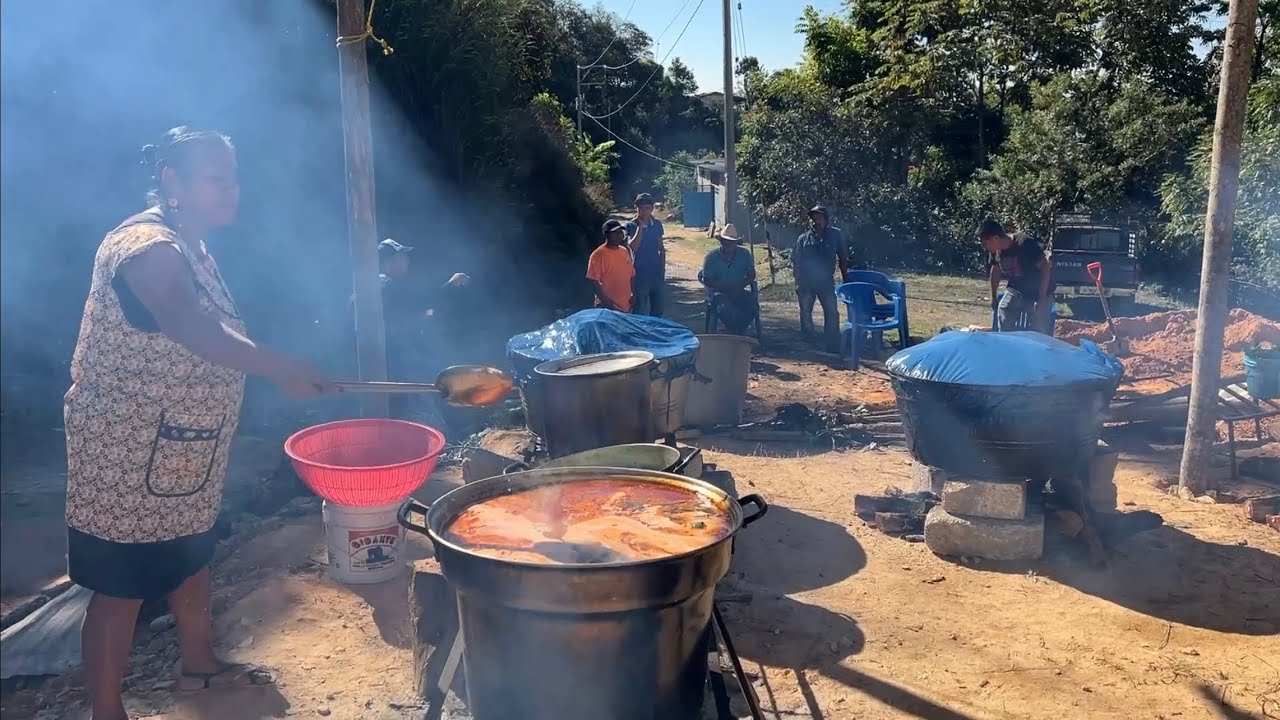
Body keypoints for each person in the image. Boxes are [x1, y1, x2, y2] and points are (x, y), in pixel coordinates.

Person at [63, 127, 334, 720]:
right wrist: (276, 365)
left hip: (184, 444)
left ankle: (198, 666)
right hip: (126, 446)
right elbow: (190, 326)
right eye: (217, 178)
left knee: (191, 554)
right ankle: (106, 713)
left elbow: (210, 335)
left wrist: (274, 366)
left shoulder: (196, 247)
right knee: (120, 584)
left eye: (234, 177)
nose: (232, 190)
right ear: (172, 180)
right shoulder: (146, 246)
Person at [374, 238, 469, 426]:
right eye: (402, 258)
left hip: (398, 360)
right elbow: (426, 299)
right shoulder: (387, 285)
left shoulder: (378, 285)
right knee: (428, 400)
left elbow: (402, 314)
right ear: (389, 262)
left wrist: (421, 316)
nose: (407, 262)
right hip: (397, 365)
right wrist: (452, 284)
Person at [977, 218, 1053, 333]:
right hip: (1017, 289)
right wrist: (993, 296)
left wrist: (1041, 296)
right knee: (1004, 308)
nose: (984, 247)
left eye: (985, 243)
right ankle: (1005, 340)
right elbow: (995, 270)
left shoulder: (1024, 244)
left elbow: (1045, 267)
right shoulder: (996, 251)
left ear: (995, 238)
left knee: (1039, 327)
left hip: (1040, 289)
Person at [793, 205, 849, 352]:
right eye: (813, 217)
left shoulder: (836, 235)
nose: (815, 220)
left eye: (818, 217)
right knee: (805, 312)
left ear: (825, 219)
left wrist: (846, 279)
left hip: (826, 281)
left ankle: (832, 343)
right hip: (806, 282)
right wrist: (797, 282)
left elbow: (842, 257)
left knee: (831, 312)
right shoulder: (803, 239)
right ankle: (809, 343)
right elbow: (797, 261)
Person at [701, 223, 757, 335]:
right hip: (719, 292)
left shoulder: (744, 254)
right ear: (720, 241)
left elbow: (751, 274)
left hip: (739, 290)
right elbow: (707, 279)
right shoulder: (711, 257)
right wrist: (723, 287)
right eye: (725, 240)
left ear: (736, 242)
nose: (728, 243)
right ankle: (734, 330)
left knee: (751, 305)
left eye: (731, 241)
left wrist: (740, 285)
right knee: (724, 308)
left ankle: (738, 330)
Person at [626, 193, 666, 317]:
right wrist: (640, 229)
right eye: (641, 208)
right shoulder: (631, 225)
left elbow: (661, 247)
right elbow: (633, 247)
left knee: (658, 308)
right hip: (638, 272)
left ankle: (655, 332)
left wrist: (662, 269)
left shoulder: (657, 224)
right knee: (640, 308)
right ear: (636, 208)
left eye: (647, 208)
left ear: (652, 208)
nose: (644, 212)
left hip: (655, 271)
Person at [587, 219, 635, 312]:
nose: (619, 235)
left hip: (625, 305)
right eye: (615, 232)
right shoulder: (598, 254)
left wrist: (633, 294)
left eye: (620, 232)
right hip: (607, 309)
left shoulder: (624, 251)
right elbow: (593, 281)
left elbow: (631, 275)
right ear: (606, 234)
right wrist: (607, 303)